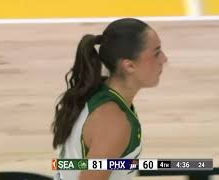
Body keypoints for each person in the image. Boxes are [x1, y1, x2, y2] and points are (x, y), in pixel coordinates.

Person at [52, 18, 167, 180]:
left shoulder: (102, 91)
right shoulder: (114, 122)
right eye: (156, 53)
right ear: (129, 66)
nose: (164, 59)